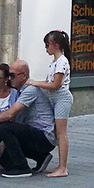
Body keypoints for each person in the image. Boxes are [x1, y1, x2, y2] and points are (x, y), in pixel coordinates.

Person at [0, 60, 57, 178]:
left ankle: (22, 167)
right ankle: (40, 157)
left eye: (12, 75)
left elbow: (10, 114)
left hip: (44, 137)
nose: (10, 79)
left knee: (5, 128)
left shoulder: (31, 89)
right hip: (38, 135)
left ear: (24, 75)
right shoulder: (20, 90)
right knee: (5, 137)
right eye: (8, 75)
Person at [31, 31, 72, 179]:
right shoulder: (56, 61)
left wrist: (34, 82)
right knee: (58, 132)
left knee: (61, 133)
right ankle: (61, 165)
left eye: (47, 44)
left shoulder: (61, 61)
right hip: (56, 98)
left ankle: (63, 167)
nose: (46, 48)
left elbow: (55, 85)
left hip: (61, 98)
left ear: (56, 45)